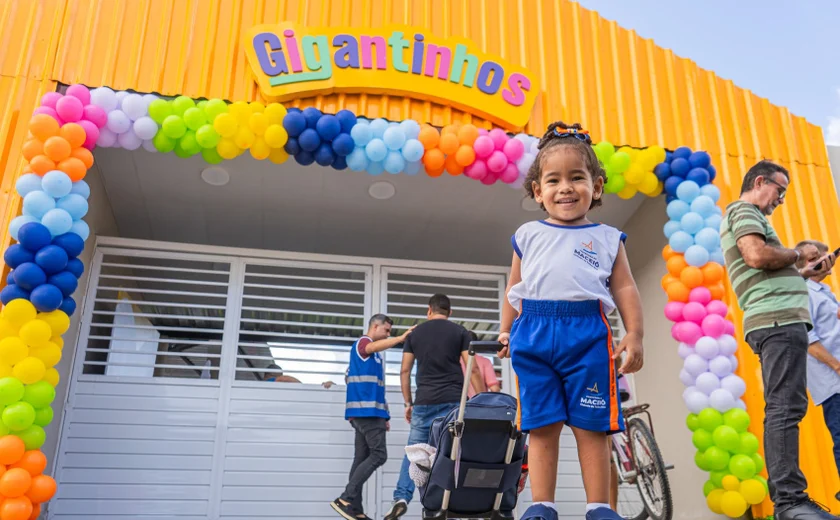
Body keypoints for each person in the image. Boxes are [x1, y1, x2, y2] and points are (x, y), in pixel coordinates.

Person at [497, 122, 644, 520]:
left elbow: (626, 289)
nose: (565, 187)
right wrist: (506, 331)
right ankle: (542, 506)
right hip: (534, 334)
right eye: (553, 180)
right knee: (542, 426)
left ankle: (599, 507)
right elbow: (516, 289)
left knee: (591, 426)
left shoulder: (608, 237)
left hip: (588, 337)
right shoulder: (527, 235)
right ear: (537, 191)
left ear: (596, 187)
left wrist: (634, 334)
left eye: (577, 178)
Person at [720, 160, 837, 520]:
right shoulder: (743, 209)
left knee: (787, 407)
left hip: (776, 320)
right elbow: (756, 255)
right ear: (759, 182)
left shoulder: (748, 215)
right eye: (779, 191)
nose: (781, 200)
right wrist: (798, 254)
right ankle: (790, 501)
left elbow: (767, 266)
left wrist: (801, 271)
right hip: (777, 322)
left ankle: (791, 499)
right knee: (785, 408)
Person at [383, 294, 486, 520]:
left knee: (415, 452)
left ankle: (401, 497)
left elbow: (404, 371)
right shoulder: (460, 332)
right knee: (454, 451)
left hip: (424, 401)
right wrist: (482, 400)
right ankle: (453, 501)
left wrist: (408, 402)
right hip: (453, 402)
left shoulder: (415, 333)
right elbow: (474, 369)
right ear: (450, 312)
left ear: (429, 310)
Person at [330, 314, 414, 520]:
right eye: (386, 330)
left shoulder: (375, 358)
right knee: (379, 455)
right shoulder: (364, 344)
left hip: (367, 413)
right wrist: (400, 339)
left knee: (360, 459)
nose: (388, 334)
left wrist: (385, 415)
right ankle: (346, 498)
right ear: (375, 326)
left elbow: (374, 387)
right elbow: (369, 348)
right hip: (366, 413)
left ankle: (354, 509)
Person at [795, 240, 840, 501]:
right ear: (803, 267)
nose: (824, 258)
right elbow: (809, 341)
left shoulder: (822, 290)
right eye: (815, 257)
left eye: (823, 254)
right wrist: (837, 366)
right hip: (833, 382)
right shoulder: (804, 292)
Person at [460, 331, 501, 397]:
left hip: (457, 404)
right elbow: (494, 389)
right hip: (478, 403)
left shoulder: (454, 361)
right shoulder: (485, 362)